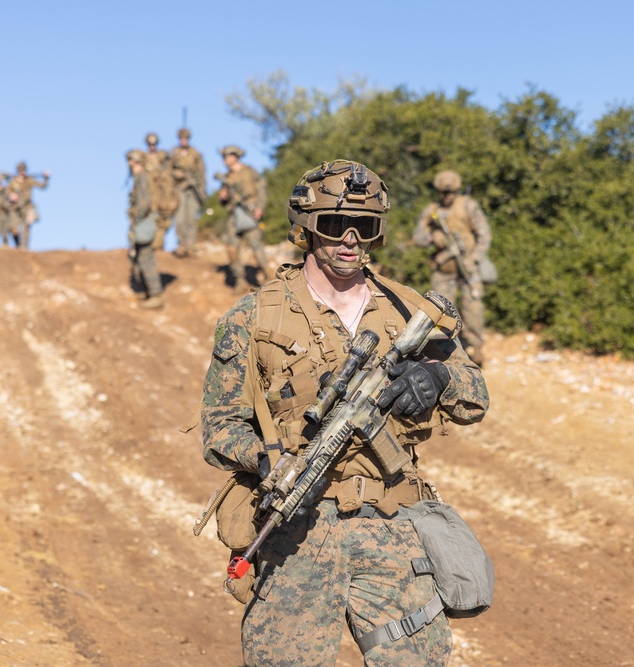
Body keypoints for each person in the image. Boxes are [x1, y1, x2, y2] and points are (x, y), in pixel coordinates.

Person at [201, 160, 489, 666]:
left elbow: (475, 396)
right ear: (307, 228)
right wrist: (267, 461)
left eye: (365, 226)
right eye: (335, 225)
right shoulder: (253, 316)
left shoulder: (408, 310)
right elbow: (219, 427)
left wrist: (438, 378)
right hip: (296, 531)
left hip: (392, 522)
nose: (349, 239)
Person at [412, 170, 492, 367]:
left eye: (450, 192)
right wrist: (432, 238)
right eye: (443, 192)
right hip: (443, 271)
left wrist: (473, 258)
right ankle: (443, 352)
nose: (447, 196)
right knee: (441, 311)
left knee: (473, 309)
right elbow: (418, 237)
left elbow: (485, 235)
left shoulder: (468, 206)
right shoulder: (432, 210)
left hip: (467, 268)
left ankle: (476, 348)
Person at [217, 145, 271, 290]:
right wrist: (223, 197)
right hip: (234, 215)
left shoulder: (249, 171)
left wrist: (260, 207)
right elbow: (224, 202)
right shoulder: (226, 178)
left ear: (234, 156)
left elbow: (261, 189)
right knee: (232, 248)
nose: (224, 160)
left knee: (256, 246)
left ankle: (267, 277)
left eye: (226, 157)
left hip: (250, 212)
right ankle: (239, 279)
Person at [126, 150, 164, 310]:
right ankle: (150, 293)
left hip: (145, 222)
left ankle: (155, 295)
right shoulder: (145, 177)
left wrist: (136, 218)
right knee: (141, 256)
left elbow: (144, 203)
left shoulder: (142, 177)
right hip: (148, 221)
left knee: (146, 257)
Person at [169, 127, 206, 257]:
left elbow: (201, 173)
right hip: (179, 190)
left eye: (186, 138)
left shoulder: (195, 153)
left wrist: (202, 191)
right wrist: (177, 174)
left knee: (191, 219)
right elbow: (167, 171)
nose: (184, 141)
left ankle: (190, 246)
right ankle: (181, 244)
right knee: (179, 219)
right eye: (182, 138)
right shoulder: (173, 154)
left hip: (193, 191)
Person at [143, 132, 180, 251]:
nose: (152, 147)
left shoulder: (163, 158)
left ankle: (158, 245)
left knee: (163, 221)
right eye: (150, 144)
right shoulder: (143, 159)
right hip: (148, 195)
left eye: (154, 144)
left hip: (162, 196)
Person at [6, 161, 49, 249]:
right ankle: (17, 245)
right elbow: (7, 192)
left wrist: (46, 178)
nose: (22, 172)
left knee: (26, 226)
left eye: (23, 170)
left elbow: (42, 186)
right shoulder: (13, 182)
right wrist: (11, 195)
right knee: (13, 229)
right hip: (16, 208)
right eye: (20, 170)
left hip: (27, 206)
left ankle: (24, 246)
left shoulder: (29, 181)